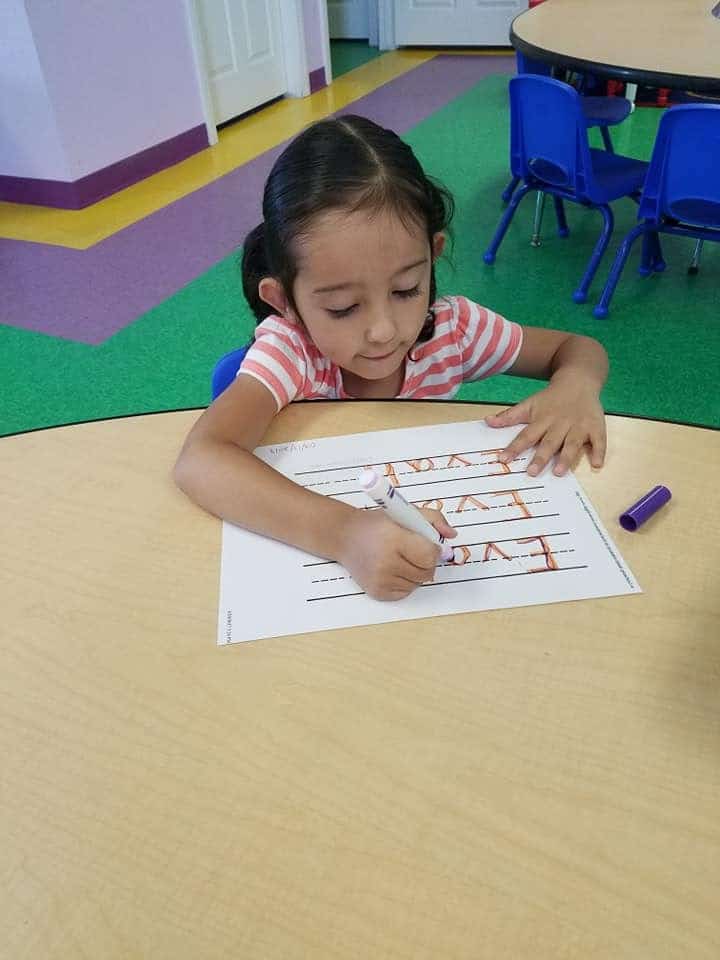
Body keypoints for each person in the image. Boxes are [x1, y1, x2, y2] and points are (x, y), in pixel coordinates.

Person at [175, 116, 608, 601]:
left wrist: (576, 386)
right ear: (285, 301)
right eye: (342, 307)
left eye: (406, 289)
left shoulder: (453, 330)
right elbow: (201, 460)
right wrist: (345, 534)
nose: (384, 330)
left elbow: (579, 349)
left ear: (432, 255)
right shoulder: (291, 350)